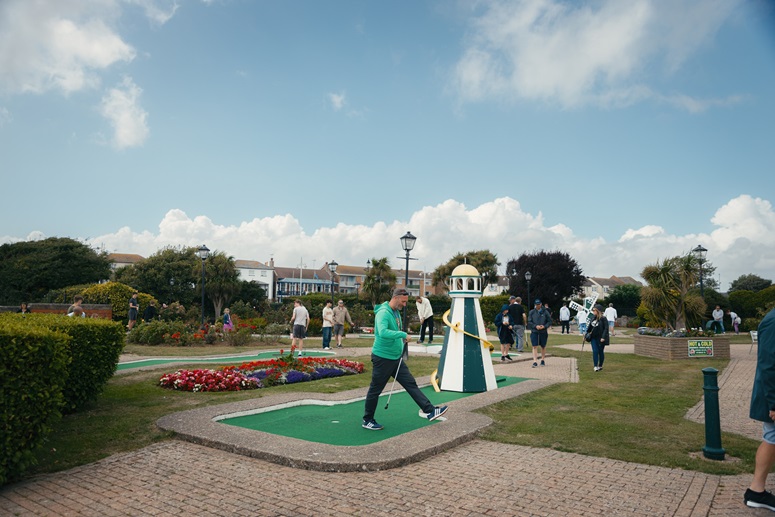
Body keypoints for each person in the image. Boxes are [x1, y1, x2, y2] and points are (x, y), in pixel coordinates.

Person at [362, 288, 448, 430]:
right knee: (375, 390)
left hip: (395, 358)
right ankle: (367, 420)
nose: (405, 304)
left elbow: (394, 330)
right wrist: (402, 334)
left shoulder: (395, 312)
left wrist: (401, 341)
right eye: (403, 301)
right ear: (395, 298)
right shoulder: (383, 313)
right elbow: (382, 332)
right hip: (383, 358)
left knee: (410, 383)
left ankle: (430, 410)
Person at [744, 307, 775, 511]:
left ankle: (756, 491)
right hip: (772, 395)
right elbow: (768, 365)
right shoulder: (773, 321)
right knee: (771, 437)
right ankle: (756, 491)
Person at [528, 298, 552, 367]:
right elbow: (529, 322)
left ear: (541, 304)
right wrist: (535, 326)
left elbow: (549, 321)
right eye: (536, 304)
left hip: (543, 331)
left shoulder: (545, 312)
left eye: (538, 304)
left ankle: (542, 359)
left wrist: (544, 326)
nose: (537, 306)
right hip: (535, 331)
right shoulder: (532, 312)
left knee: (543, 346)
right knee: (534, 346)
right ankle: (535, 361)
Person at [587, 304, 610, 372]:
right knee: (595, 351)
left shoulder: (603, 319)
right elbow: (589, 328)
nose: (593, 311)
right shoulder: (592, 318)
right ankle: (595, 366)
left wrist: (603, 337)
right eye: (593, 310)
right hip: (593, 337)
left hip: (600, 338)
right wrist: (586, 335)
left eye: (594, 310)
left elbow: (606, 329)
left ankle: (600, 365)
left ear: (598, 311)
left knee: (600, 352)